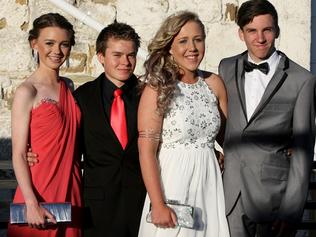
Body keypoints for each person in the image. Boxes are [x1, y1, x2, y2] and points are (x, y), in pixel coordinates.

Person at [218, 0, 316, 236]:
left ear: (277, 31)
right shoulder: (226, 68)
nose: (260, 38)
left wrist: (291, 211)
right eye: (252, 30)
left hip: (273, 199)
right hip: (229, 195)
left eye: (267, 30)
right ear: (241, 34)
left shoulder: (302, 80)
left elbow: (303, 149)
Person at [137, 11, 230, 237]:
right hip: (172, 183)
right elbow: (146, 151)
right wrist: (158, 204)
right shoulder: (156, 88)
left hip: (209, 185)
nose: (193, 48)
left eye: (198, 40)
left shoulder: (214, 83)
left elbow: (229, 139)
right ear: (169, 47)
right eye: (183, 41)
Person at [7, 13, 82, 237]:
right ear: (34, 44)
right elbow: (19, 154)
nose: (57, 51)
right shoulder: (26, 91)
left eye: (64, 44)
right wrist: (31, 203)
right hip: (39, 188)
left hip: (71, 185)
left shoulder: (69, 86)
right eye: (49, 43)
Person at [73, 22, 146, 237]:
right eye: (117, 55)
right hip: (96, 208)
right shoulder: (82, 97)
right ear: (101, 56)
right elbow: (69, 147)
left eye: (131, 55)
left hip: (141, 203)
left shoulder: (148, 94)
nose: (125, 62)